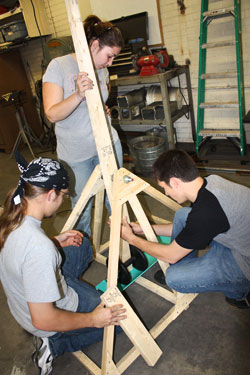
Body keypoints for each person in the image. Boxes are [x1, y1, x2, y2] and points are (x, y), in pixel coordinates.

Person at [0, 153, 126, 375]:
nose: (63, 202)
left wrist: (56, 241)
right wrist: (93, 319)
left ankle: (67, 290)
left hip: (24, 304)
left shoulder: (11, 215)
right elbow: (44, 318)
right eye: (64, 196)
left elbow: (23, 254)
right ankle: (55, 344)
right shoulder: (39, 248)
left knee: (82, 246)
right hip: (42, 319)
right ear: (50, 195)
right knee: (120, 319)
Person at [120, 149, 250, 309]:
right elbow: (193, 226)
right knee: (183, 215)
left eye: (164, 187)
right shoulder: (210, 183)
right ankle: (191, 267)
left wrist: (132, 238)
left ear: (174, 182)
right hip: (237, 239)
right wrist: (143, 229)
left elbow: (171, 256)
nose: (166, 193)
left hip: (244, 261)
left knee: (174, 278)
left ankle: (240, 291)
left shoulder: (207, 211)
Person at [42, 15, 124, 237]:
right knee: (82, 208)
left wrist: (102, 108)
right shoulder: (58, 66)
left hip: (107, 143)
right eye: (109, 56)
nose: (110, 63)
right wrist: (78, 95)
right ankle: (83, 256)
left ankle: (127, 247)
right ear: (94, 45)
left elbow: (97, 101)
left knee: (117, 198)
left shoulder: (102, 70)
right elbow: (52, 113)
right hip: (77, 155)